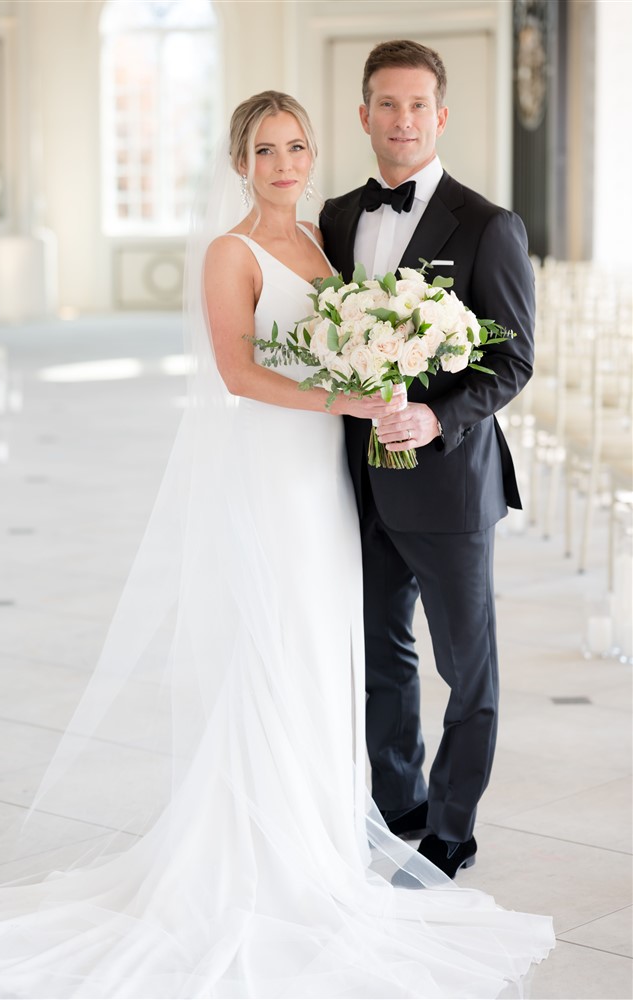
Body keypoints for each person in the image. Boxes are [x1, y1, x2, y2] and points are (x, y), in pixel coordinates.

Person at [0, 91, 553, 999]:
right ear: (239, 161)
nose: (283, 164)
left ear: (314, 151)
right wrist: (348, 401)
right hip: (273, 471)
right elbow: (237, 370)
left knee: (331, 648)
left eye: (295, 147)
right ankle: (255, 851)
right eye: (265, 150)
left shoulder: (325, 238)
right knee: (272, 645)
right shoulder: (228, 250)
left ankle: (323, 838)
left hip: (331, 479)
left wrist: (380, 389)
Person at [320, 39, 536, 878]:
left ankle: (451, 824)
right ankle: (397, 797)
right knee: (379, 657)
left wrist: (435, 420)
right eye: (386, 103)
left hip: (448, 488)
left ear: (439, 116)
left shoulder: (488, 226)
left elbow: (511, 361)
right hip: (354, 484)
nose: (401, 119)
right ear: (364, 114)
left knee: (465, 668)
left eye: (417, 105)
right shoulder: (339, 215)